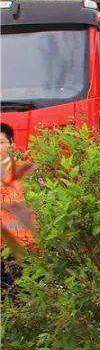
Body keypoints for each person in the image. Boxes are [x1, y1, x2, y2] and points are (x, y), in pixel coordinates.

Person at [1, 125, 37, 294]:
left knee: (20, 296)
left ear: (12, 144)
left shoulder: (25, 172)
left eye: (1, 142)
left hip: (21, 246)